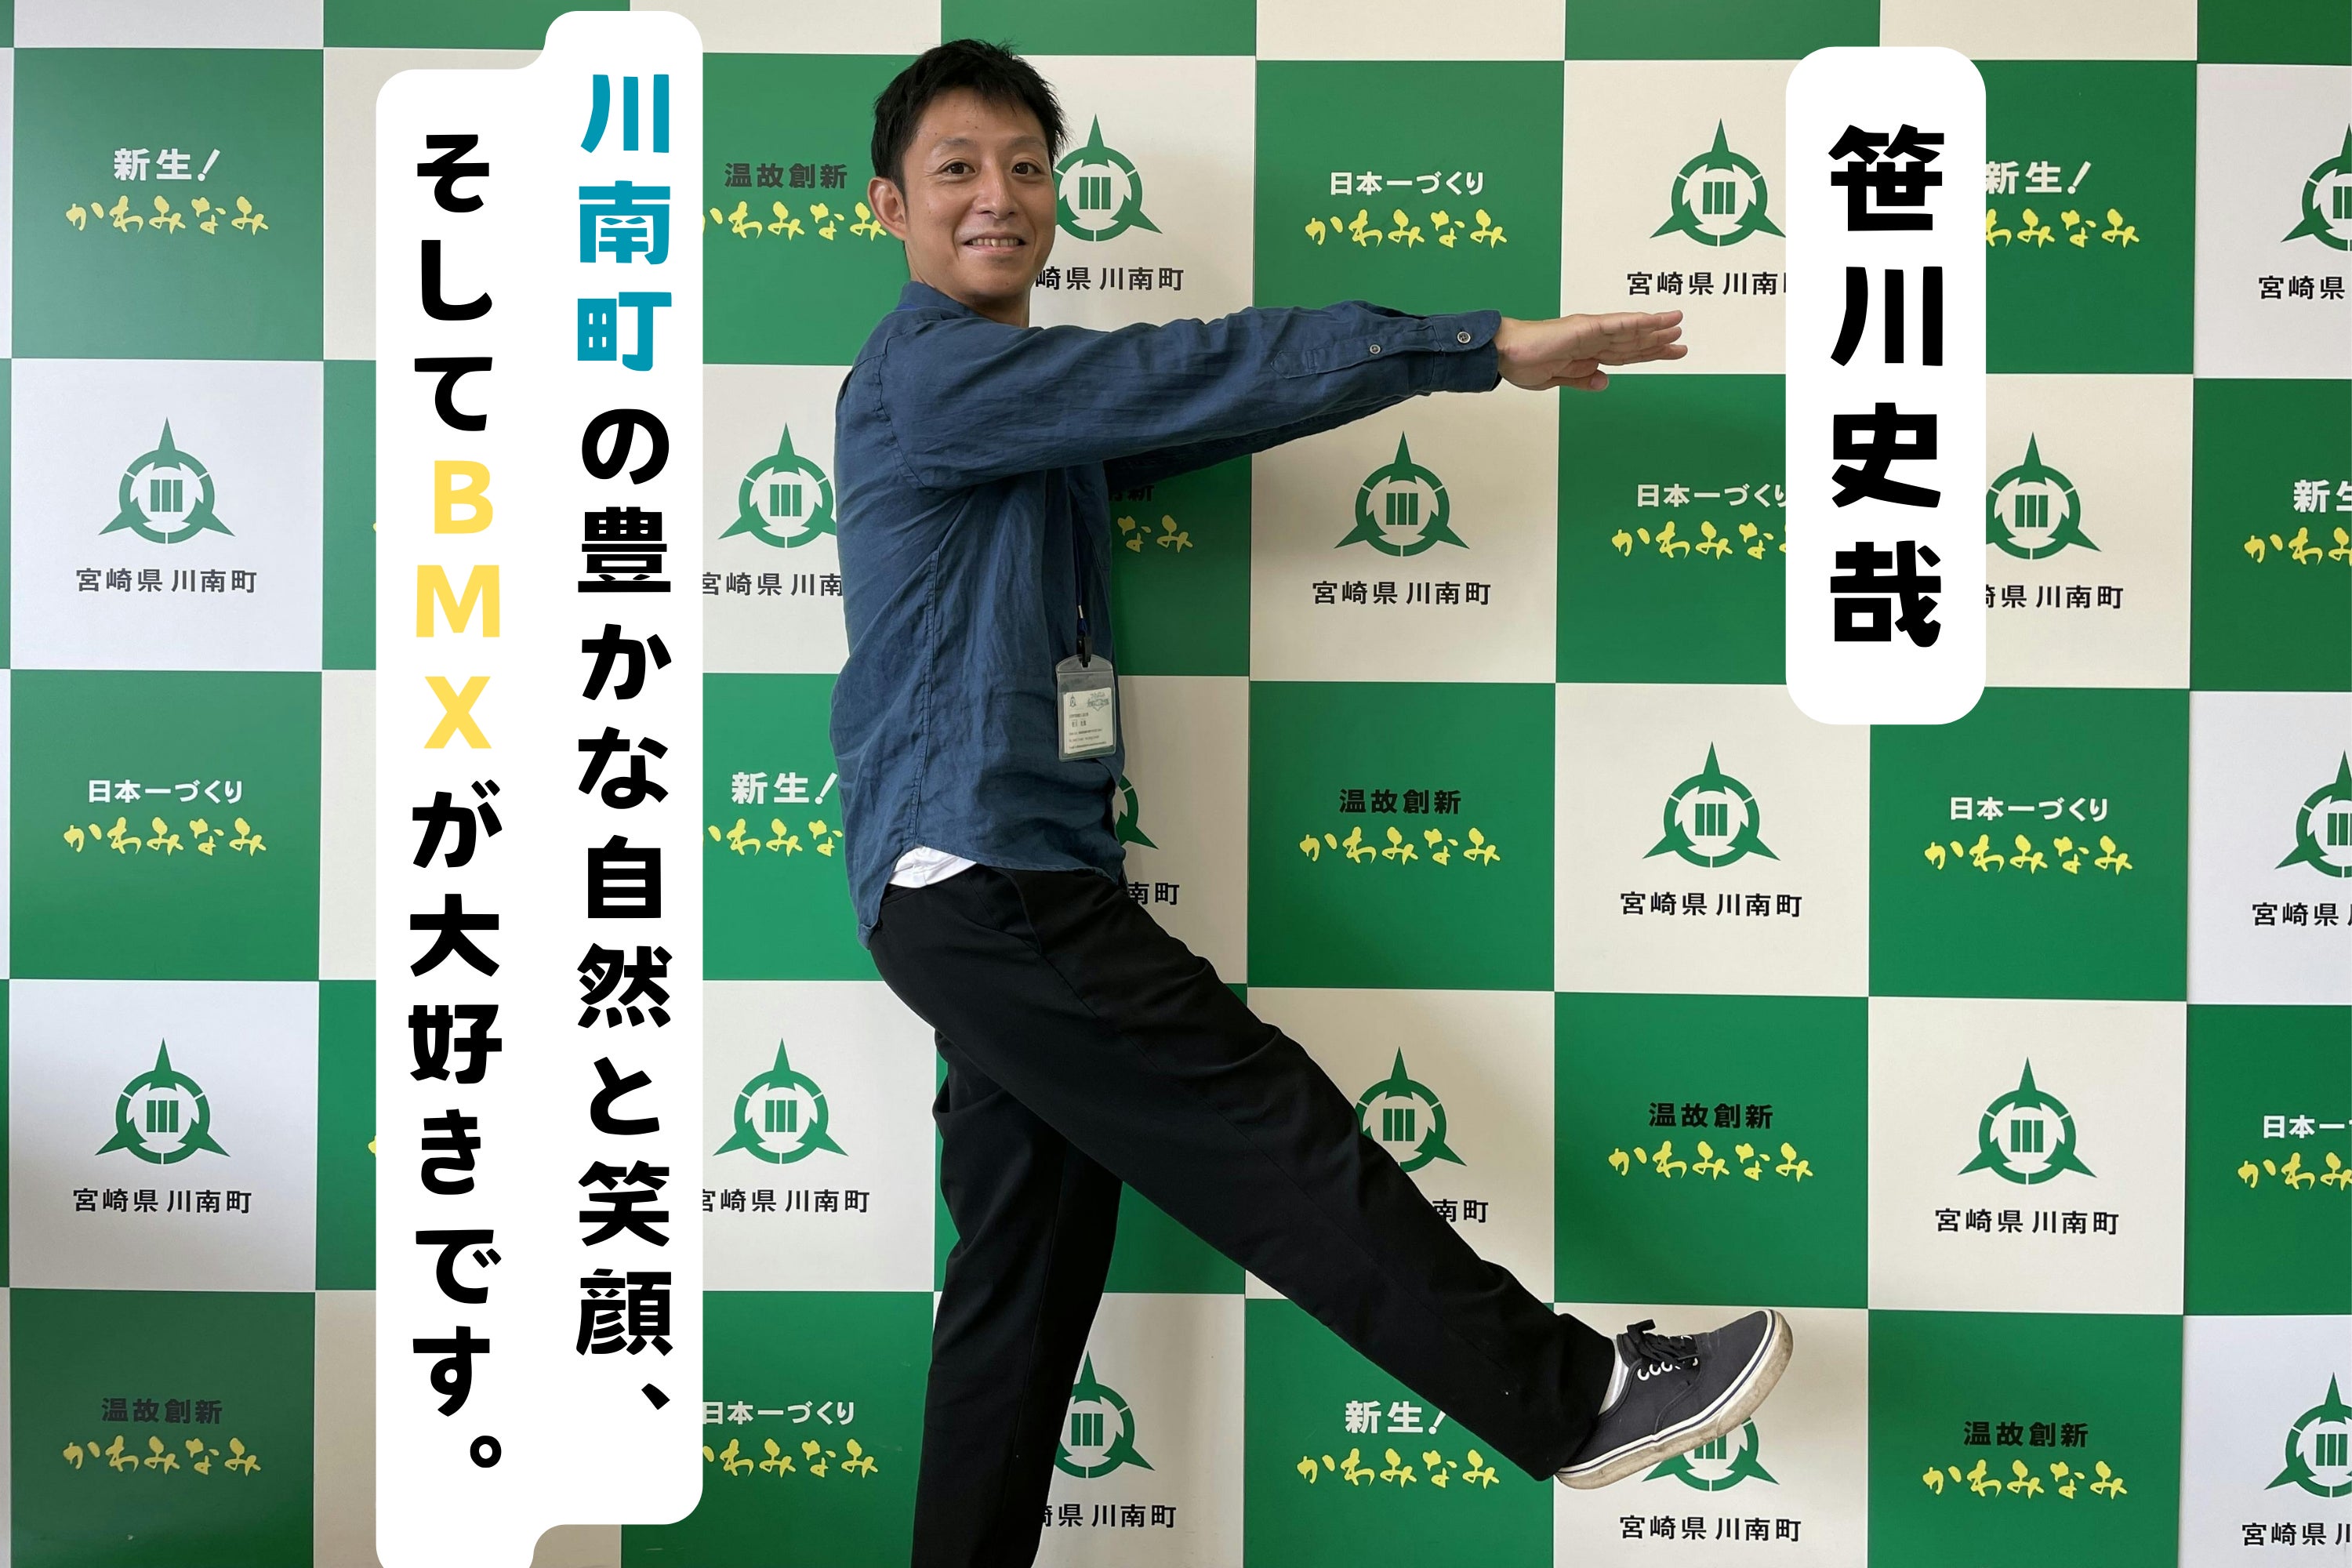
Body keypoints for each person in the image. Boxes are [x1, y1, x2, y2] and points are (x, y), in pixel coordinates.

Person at [829, 39, 1793, 1567]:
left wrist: (1440, 370)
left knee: (1020, 1286)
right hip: (992, 880)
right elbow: (1184, 369)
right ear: (891, 205)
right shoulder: (935, 376)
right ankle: (1572, 1400)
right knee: (1264, 1127)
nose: (998, 195)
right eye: (958, 169)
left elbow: (1206, 410)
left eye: (1027, 167)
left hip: (981, 890)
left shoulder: (1019, 410)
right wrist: (1477, 343)